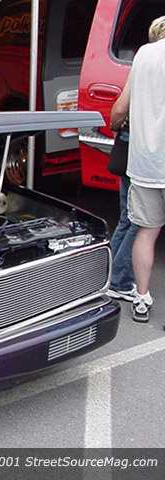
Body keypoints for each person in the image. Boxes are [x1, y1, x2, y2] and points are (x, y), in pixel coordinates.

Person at [110, 16, 165, 322]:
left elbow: (120, 108)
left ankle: (141, 298)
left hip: (145, 164)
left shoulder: (143, 54)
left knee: (144, 230)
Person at [106, 117, 138, 302]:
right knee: (139, 221)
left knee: (127, 218)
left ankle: (108, 274)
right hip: (144, 153)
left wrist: (117, 127)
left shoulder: (136, 93)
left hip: (128, 142)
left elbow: (118, 111)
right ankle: (120, 281)